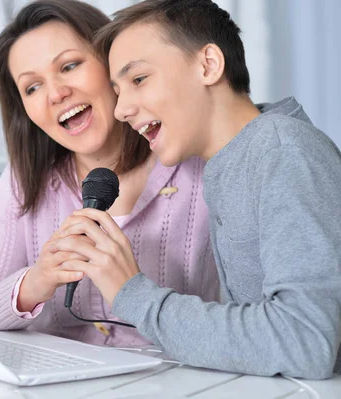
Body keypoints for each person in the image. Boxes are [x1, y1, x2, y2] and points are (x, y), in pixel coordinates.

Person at [53, 0, 341, 378]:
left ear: (208, 65)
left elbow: (304, 342)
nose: (121, 109)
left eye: (138, 79)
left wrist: (132, 293)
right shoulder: (234, 160)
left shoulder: (281, 152)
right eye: (118, 91)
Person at [0, 0, 219, 347]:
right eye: (32, 87)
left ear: (112, 62)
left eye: (70, 66)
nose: (56, 93)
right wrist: (35, 282)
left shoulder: (198, 166)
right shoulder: (24, 182)